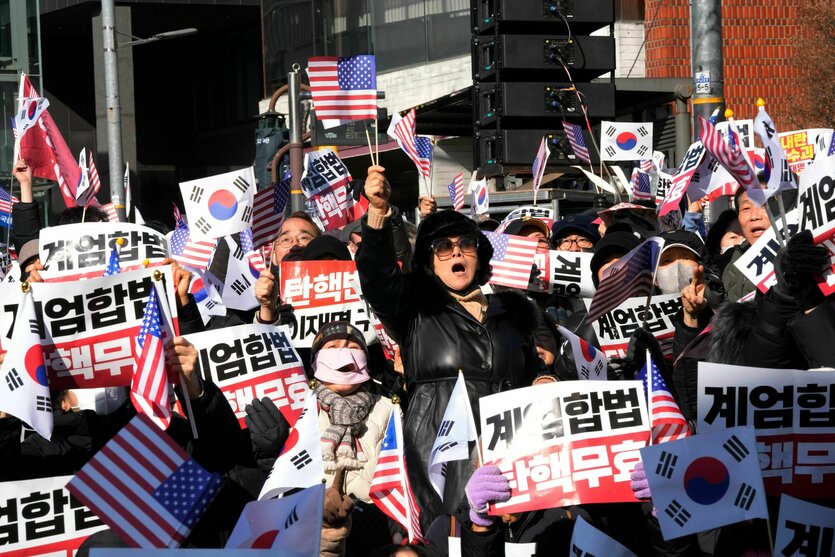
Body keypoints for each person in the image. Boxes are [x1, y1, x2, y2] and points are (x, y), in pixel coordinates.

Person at [356, 165, 543, 530]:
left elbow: (533, 371)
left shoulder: (514, 314)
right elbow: (378, 280)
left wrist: (545, 379)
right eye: (443, 247)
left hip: (510, 459)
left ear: (479, 255)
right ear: (429, 261)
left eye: (465, 244)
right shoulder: (415, 311)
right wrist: (377, 213)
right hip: (441, 463)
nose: (456, 252)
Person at [308, 321, 396, 556]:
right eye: (333, 346)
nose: (343, 354)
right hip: (320, 534)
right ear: (316, 359)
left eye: (351, 347)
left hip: (381, 530)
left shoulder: (388, 409)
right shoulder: (302, 412)